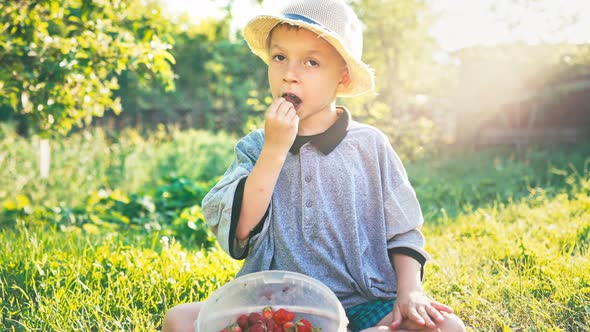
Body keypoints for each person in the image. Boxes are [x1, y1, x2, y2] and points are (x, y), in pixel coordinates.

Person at [163, 0, 466, 331]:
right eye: (280, 57)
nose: (289, 74)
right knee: (179, 320)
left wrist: (411, 292)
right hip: (273, 304)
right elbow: (240, 230)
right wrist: (274, 150)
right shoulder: (255, 146)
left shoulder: (370, 146)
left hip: (361, 302)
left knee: (448, 327)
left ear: (343, 77)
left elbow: (403, 232)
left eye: (311, 62)